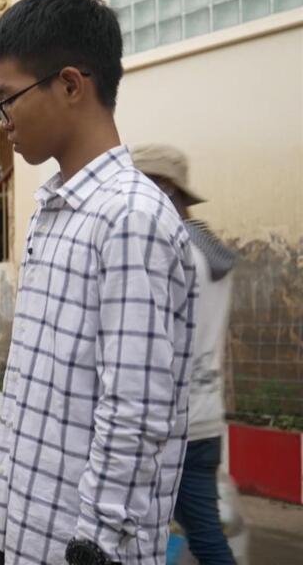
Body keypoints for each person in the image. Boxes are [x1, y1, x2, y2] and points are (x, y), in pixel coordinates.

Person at [0, 0, 197, 565]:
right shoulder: (52, 213)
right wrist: (2, 510)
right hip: (30, 529)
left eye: (6, 100)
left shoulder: (131, 218)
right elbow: (28, 386)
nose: (3, 122)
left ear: (71, 85)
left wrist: (92, 547)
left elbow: (133, 414)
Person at [133, 144, 237, 565]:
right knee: (193, 532)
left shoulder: (174, 252)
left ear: (164, 188)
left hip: (174, 423)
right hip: (206, 416)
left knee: (203, 540)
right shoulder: (210, 252)